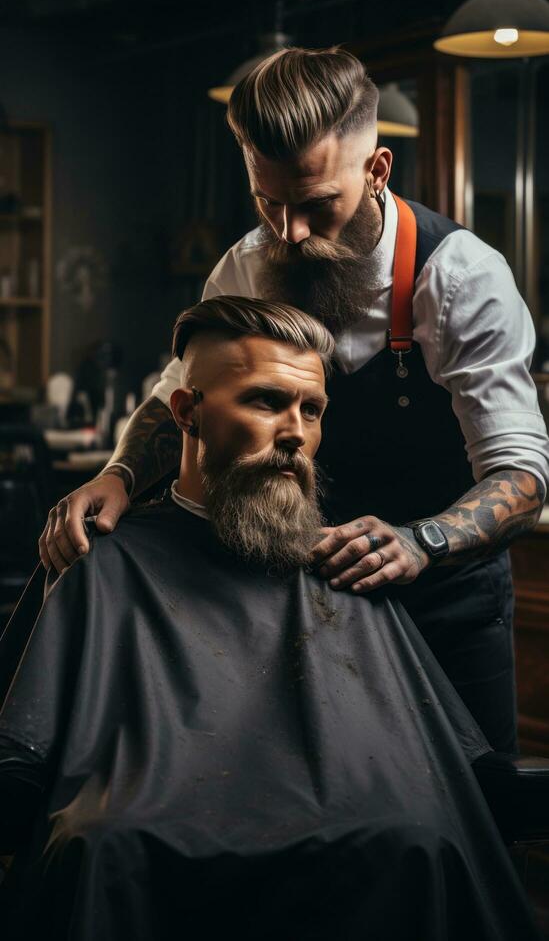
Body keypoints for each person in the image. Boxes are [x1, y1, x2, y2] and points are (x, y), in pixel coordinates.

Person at [39, 48, 549, 756]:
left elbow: (521, 477)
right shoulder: (249, 264)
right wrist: (118, 474)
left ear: (376, 171)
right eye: (267, 203)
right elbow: (176, 391)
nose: (289, 232)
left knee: (466, 815)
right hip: (299, 596)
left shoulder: (460, 279)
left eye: (315, 206)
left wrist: (419, 541)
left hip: (442, 606)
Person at [0, 297, 543, 940]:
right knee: (105, 842)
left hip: (362, 826)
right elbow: (20, 762)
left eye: (311, 410)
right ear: (187, 413)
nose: (294, 433)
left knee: (420, 839)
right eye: (264, 401)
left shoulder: (346, 564)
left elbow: (462, 768)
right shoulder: (103, 559)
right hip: (141, 825)